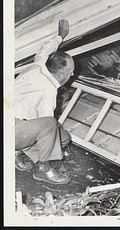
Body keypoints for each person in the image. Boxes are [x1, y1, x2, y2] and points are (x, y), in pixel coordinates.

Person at [15, 19, 75, 185]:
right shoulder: (48, 91)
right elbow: (47, 128)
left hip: (15, 121)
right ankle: (43, 170)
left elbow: (46, 49)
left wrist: (61, 35)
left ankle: (21, 150)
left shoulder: (41, 63)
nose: (72, 75)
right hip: (11, 129)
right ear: (61, 72)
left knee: (64, 138)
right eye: (70, 72)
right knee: (51, 126)